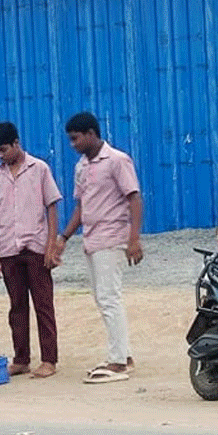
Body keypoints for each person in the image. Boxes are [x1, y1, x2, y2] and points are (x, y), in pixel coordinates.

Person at [53, 112, 143, 384]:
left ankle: (117, 362)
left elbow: (134, 198)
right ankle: (123, 355)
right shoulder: (81, 167)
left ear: (91, 134)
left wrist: (134, 239)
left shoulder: (117, 160)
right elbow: (81, 206)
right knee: (102, 299)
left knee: (109, 298)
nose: (72, 144)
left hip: (112, 237)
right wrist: (64, 237)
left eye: (75, 138)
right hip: (91, 240)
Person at [0, 122, 63, 379]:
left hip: (36, 247)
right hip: (8, 248)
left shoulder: (39, 169)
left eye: (4, 149)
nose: (1, 155)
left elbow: (52, 207)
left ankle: (49, 359)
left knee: (43, 305)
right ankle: (21, 358)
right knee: (16, 306)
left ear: (16, 143)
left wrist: (51, 246)